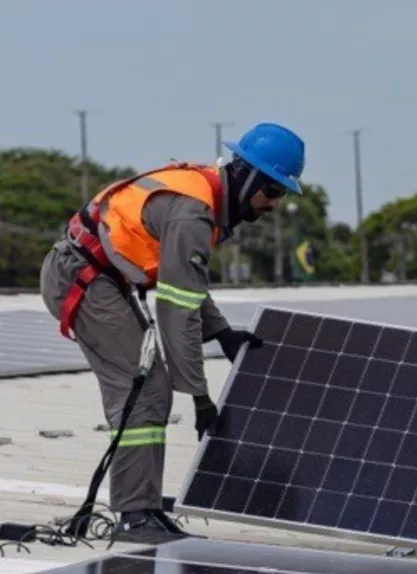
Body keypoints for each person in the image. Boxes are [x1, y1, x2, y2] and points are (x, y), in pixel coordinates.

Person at [39, 122, 304, 543]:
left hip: (100, 277)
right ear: (247, 176)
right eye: (272, 191)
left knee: (149, 389)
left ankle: (140, 508)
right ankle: (134, 516)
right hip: (81, 279)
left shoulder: (205, 200)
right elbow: (177, 314)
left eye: (282, 194)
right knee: (143, 390)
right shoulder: (194, 210)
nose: (274, 203)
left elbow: (185, 283)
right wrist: (200, 399)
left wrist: (221, 333)